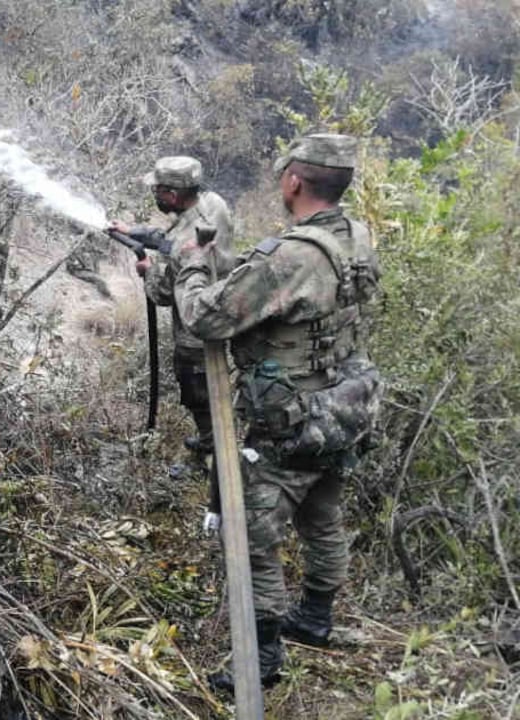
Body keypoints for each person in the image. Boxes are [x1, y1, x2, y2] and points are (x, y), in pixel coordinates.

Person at [172, 134, 382, 690]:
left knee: (254, 536)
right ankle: (314, 618)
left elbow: (207, 319)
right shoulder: (355, 237)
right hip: (344, 408)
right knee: (322, 516)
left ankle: (261, 658)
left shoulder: (291, 256)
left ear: (293, 181)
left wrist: (192, 265)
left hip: (292, 420)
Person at [109, 156, 233, 457]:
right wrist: (133, 231)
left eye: (159, 190)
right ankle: (218, 437)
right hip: (228, 311)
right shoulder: (213, 204)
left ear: (173, 195)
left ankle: (213, 446)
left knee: (197, 391)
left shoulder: (181, 246)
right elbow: (172, 239)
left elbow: (163, 293)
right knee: (219, 385)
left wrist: (147, 270)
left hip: (195, 331)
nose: (155, 195)